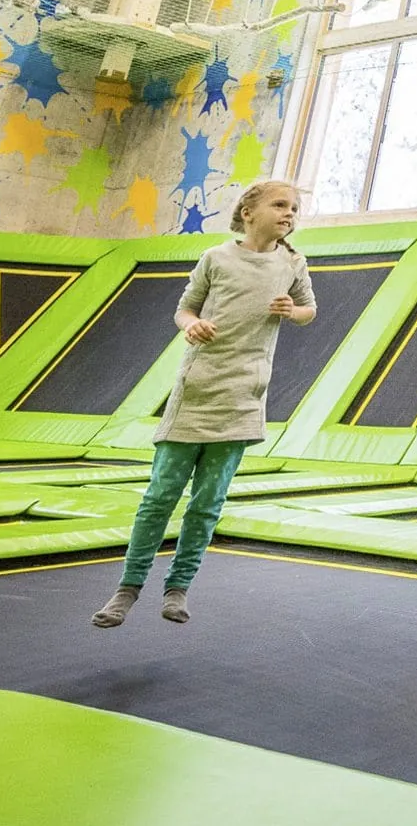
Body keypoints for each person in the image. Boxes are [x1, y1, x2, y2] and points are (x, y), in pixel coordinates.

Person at [94, 180, 314, 629]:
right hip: (195, 393)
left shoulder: (291, 262)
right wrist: (190, 326)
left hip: (242, 398)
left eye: (294, 208)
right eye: (279, 204)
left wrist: (292, 309)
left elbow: (309, 309)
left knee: (208, 502)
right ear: (248, 211)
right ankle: (128, 587)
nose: (289, 213)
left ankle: (178, 588)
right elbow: (184, 309)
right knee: (159, 497)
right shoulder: (217, 258)